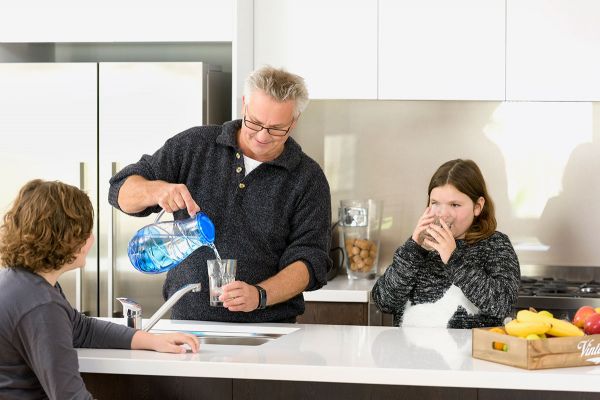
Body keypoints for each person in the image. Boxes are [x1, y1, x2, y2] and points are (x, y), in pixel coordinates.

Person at [108, 66, 332, 323]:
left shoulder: (307, 179)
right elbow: (119, 190)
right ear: (245, 105)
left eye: (275, 129)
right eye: (255, 122)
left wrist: (260, 295)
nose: (261, 136)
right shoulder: (194, 146)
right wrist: (157, 190)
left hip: (269, 330)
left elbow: (311, 260)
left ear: (294, 121)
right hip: (186, 324)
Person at [0, 179, 199, 400]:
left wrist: (152, 341)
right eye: (85, 230)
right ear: (65, 237)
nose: (91, 238)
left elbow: (82, 329)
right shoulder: (41, 306)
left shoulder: (22, 281)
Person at [372, 159, 520, 328]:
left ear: (477, 206)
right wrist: (413, 249)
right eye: (435, 203)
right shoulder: (417, 247)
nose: (443, 214)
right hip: (409, 352)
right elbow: (383, 301)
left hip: (470, 353)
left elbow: (502, 305)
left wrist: (453, 259)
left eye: (455, 205)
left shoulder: (495, 245)